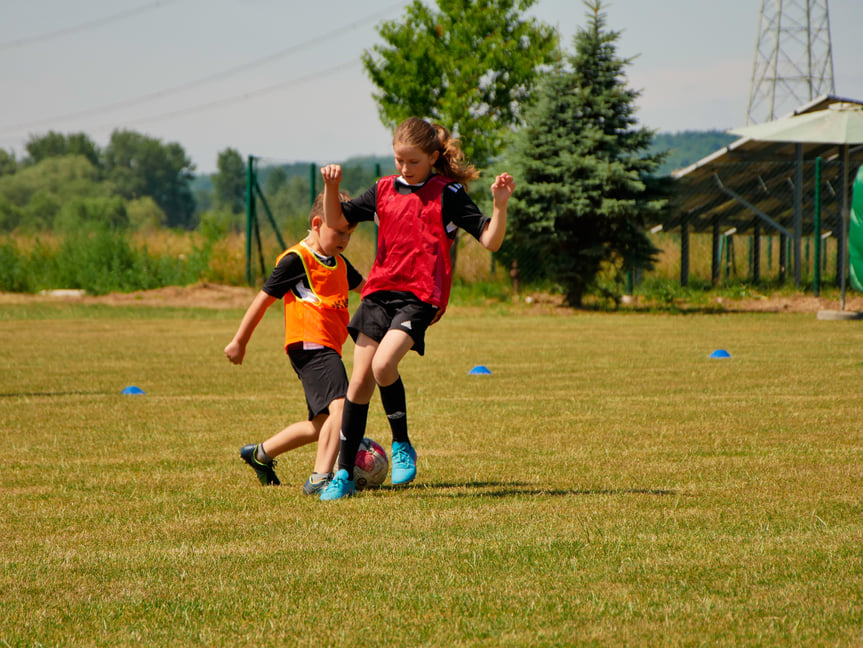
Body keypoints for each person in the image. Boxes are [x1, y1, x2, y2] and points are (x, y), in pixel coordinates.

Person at [318, 117, 515, 501]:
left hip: (421, 296)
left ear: (433, 157)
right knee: (358, 383)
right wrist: (331, 188)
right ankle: (342, 474)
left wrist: (499, 206)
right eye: (398, 160)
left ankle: (402, 443)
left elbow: (490, 240)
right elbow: (336, 220)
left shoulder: (449, 193)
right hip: (378, 292)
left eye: (413, 162)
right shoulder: (382, 190)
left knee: (382, 366)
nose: (404, 169)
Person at [224, 191, 364, 495]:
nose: (344, 239)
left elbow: (366, 289)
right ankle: (320, 478)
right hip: (311, 345)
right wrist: (239, 341)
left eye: (349, 234)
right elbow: (262, 301)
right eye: (338, 231)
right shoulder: (296, 260)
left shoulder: (338, 262)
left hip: (326, 346)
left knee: (321, 425)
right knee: (342, 407)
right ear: (317, 223)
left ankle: (260, 454)